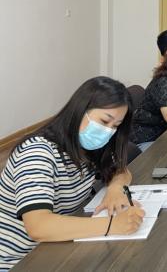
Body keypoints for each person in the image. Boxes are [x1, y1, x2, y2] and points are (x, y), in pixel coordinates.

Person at [0, 77, 144, 269]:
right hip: (16, 260)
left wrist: (116, 188)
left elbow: (121, 170)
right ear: (80, 110)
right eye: (104, 121)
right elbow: (38, 226)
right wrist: (113, 225)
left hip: (56, 247)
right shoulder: (37, 152)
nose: (108, 131)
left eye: (115, 126)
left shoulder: (89, 147)